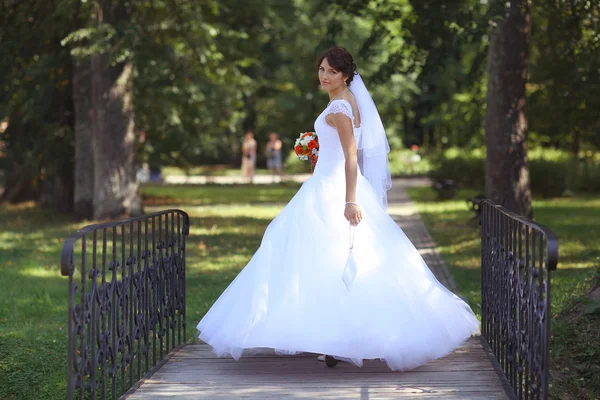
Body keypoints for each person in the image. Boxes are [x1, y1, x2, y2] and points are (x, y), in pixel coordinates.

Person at [197, 46, 479, 371]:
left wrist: (350, 200)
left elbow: (351, 155)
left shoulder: (341, 107)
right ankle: (330, 338)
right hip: (326, 182)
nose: (324, 76)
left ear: (345, 74)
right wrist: (318, 153)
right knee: (320, 257)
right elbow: (339, 149)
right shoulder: (345, 102)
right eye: (321, 70)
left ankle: (338, 340)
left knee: (329, 255)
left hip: (335, 190)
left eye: (331, 71)